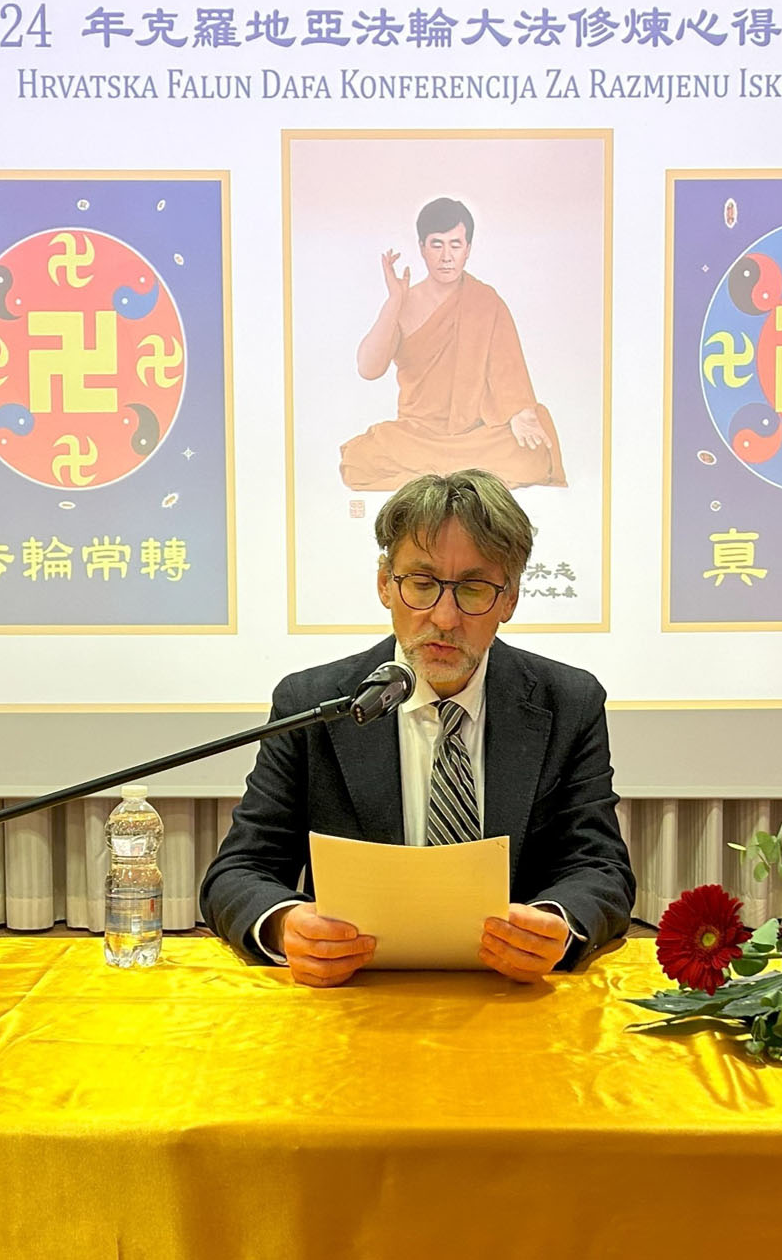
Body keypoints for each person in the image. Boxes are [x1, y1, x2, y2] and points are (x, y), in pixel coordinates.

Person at [201, 470, 631, 986]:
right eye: (422, 585)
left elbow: (601, 868)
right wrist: (284, 925)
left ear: (510, 599)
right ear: (385, 584)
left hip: (511, 995)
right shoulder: (314, 703)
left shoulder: (569, 703)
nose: (444, 618)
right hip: (353, 995)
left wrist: (555, 925)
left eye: (474, 589)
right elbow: (238, 871)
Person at [339, 197, 568, 491]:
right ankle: (464, 476)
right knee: (359, 459)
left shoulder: (485, 301)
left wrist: (521, 414)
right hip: (416, 434)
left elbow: (508, 371)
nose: (446, 256)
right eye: (437, 244)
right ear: (422, 247)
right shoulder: (403, 304)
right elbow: (368, 369)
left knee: (534, 447)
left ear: (468, 249)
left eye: (455, 245)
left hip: (474, 433)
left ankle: (434, 476)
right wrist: (394, 301)